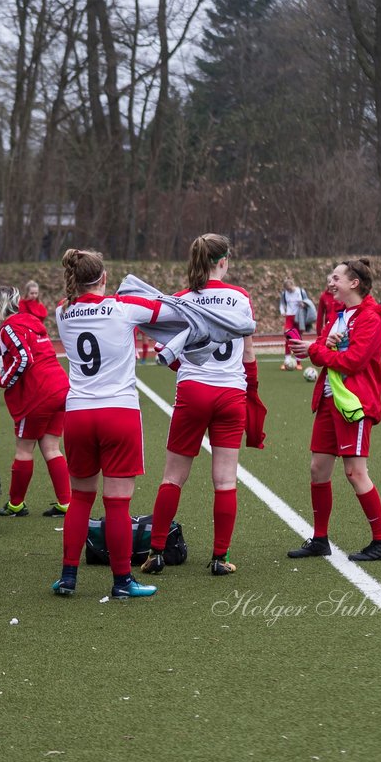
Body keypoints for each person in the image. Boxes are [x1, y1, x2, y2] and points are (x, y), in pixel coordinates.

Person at [142, 234, 256, 577]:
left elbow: (172, 348)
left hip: (193, 391)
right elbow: (248, 354)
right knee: (225, 481)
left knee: (173, 477)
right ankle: (220, 558)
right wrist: (254, 394)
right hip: (231, 394)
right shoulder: (240, 297)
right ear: (223, 260)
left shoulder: (182, 299)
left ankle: (157, 552)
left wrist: (187, 369)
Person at [52, 249, 162, 598]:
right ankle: (122, 581)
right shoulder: (122, 307)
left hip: (79, 413)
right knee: (117, 504)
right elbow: (163, 309)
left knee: (81, 498)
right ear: (103, 278)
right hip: (118, 412)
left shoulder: (62, 310)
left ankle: (68, 577)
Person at [287, 259, 381, 562]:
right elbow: (321, 354)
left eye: (335, 278)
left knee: (355, 472)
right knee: (318, 469)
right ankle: (320, 539)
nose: (330, 283)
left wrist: (316, 350)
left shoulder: (370, 318)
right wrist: (313, 347)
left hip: (353, 405)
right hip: (328, 401)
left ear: (354, 283)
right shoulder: (339, 316)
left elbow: (354, 362)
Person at [0, 284, 71, 521]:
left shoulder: (8, 327)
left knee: (24, 449)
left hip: (38, 393)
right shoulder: (32, 321)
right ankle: (66, 502)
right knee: (52, 447)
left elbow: (23, 357)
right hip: (59, 386)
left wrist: (2, 378)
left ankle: (15, 504)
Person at [278, 278, 313, 369]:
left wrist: (303, 305)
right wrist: (282, 311)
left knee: (298, 339)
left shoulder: (300, 291)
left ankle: (298, 362)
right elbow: (282, 304)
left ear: (293, 285)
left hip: (299, 317)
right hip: (289, 316)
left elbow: (307, 302)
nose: (289, 291)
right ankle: (287, 361)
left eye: (290, 289)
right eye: (287, 289)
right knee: (287, 337)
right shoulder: (284, 294)